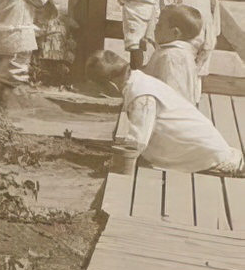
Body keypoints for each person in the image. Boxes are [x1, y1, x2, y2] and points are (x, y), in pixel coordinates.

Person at [86, 49, 244, 175]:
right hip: (201, 141)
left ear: (110, 87)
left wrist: (116, 161)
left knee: (159, 161)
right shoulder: (141, 80)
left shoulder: (141, 95)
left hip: (203, 151)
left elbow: (138, 140)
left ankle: (223, 164)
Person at [146, 5, 204, 104]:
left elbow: (172, 92)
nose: (155, 28)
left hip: (169, 114)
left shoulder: (172, 57)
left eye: (159, 26)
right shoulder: (181, 53)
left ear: (175, 33)